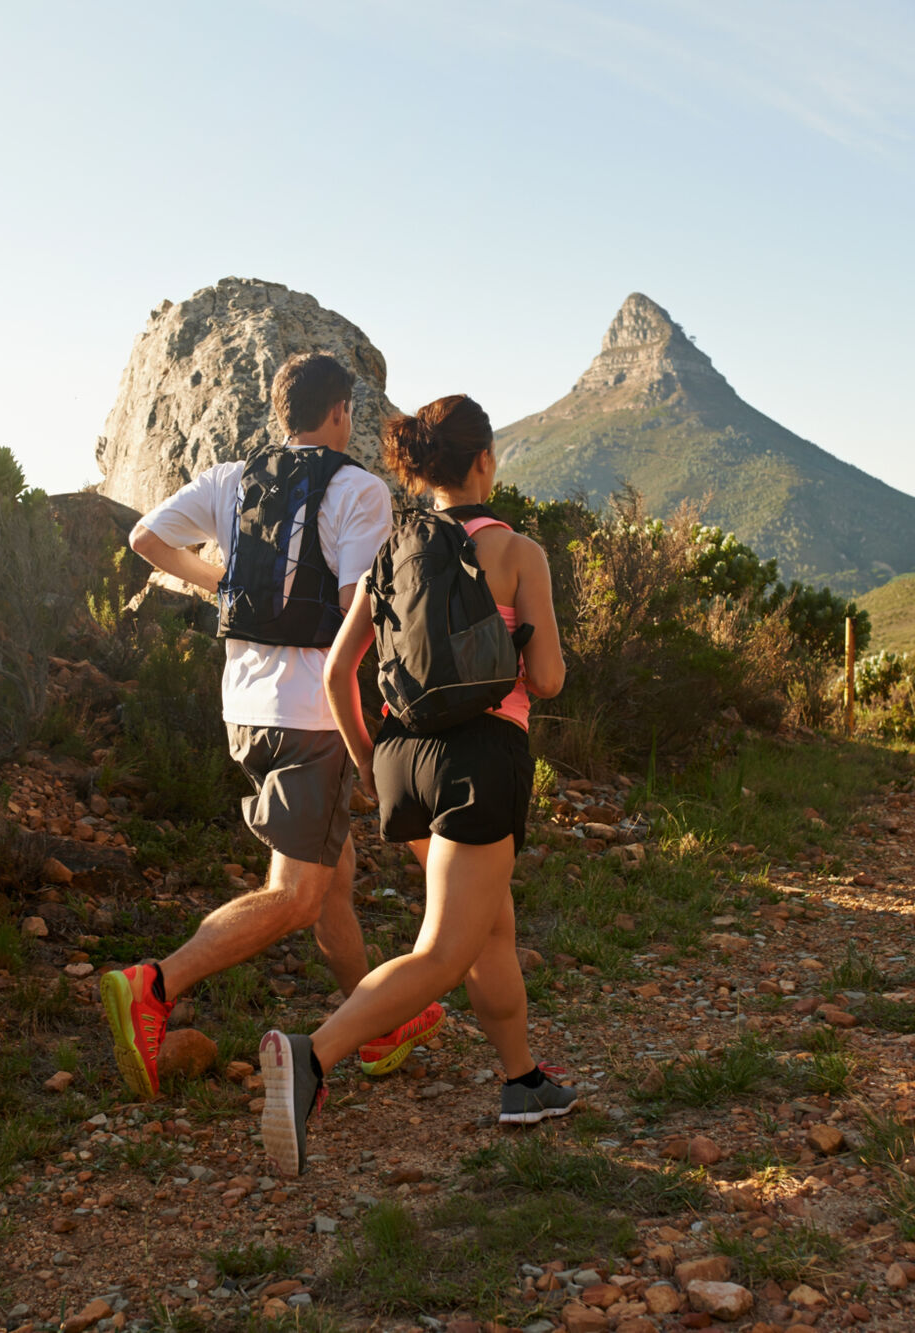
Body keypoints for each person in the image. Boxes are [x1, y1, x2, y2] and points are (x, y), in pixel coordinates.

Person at [101, 352, 447, 1101]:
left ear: (282, 412)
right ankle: (154, 984)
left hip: (245, 710)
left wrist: (221, 582)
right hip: (312, 716)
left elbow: (145, 539)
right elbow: (358, 613)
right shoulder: (358, 490)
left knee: (332, 882)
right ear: (341, 412)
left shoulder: (231, 479)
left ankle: (376, 1027)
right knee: (295, 895)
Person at [258, 393, 576, 1177]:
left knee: (488, 927)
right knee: (442, 950)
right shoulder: (517, 551)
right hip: (481, 760)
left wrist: (371, 762)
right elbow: (546, 678)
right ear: (484, 461)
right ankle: (312, 1054)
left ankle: (522, 1080)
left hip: (406, 762)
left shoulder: (392, 552)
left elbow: (339, 672)